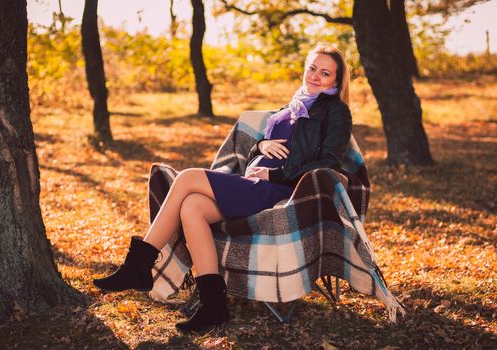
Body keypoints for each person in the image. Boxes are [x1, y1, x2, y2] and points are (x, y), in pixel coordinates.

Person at [93, 44, 352, 333]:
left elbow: (328, 162)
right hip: (255, 184)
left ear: (335, 81)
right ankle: (214, 307)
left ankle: (138, 266)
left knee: (189, 177)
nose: (315, 76)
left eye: (325, 73)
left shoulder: (335, 111)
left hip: (282, 191)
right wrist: (260, 145)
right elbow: (268, 146)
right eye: (312, 68)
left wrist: (274, 175)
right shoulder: (292, 105)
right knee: (191, 207)